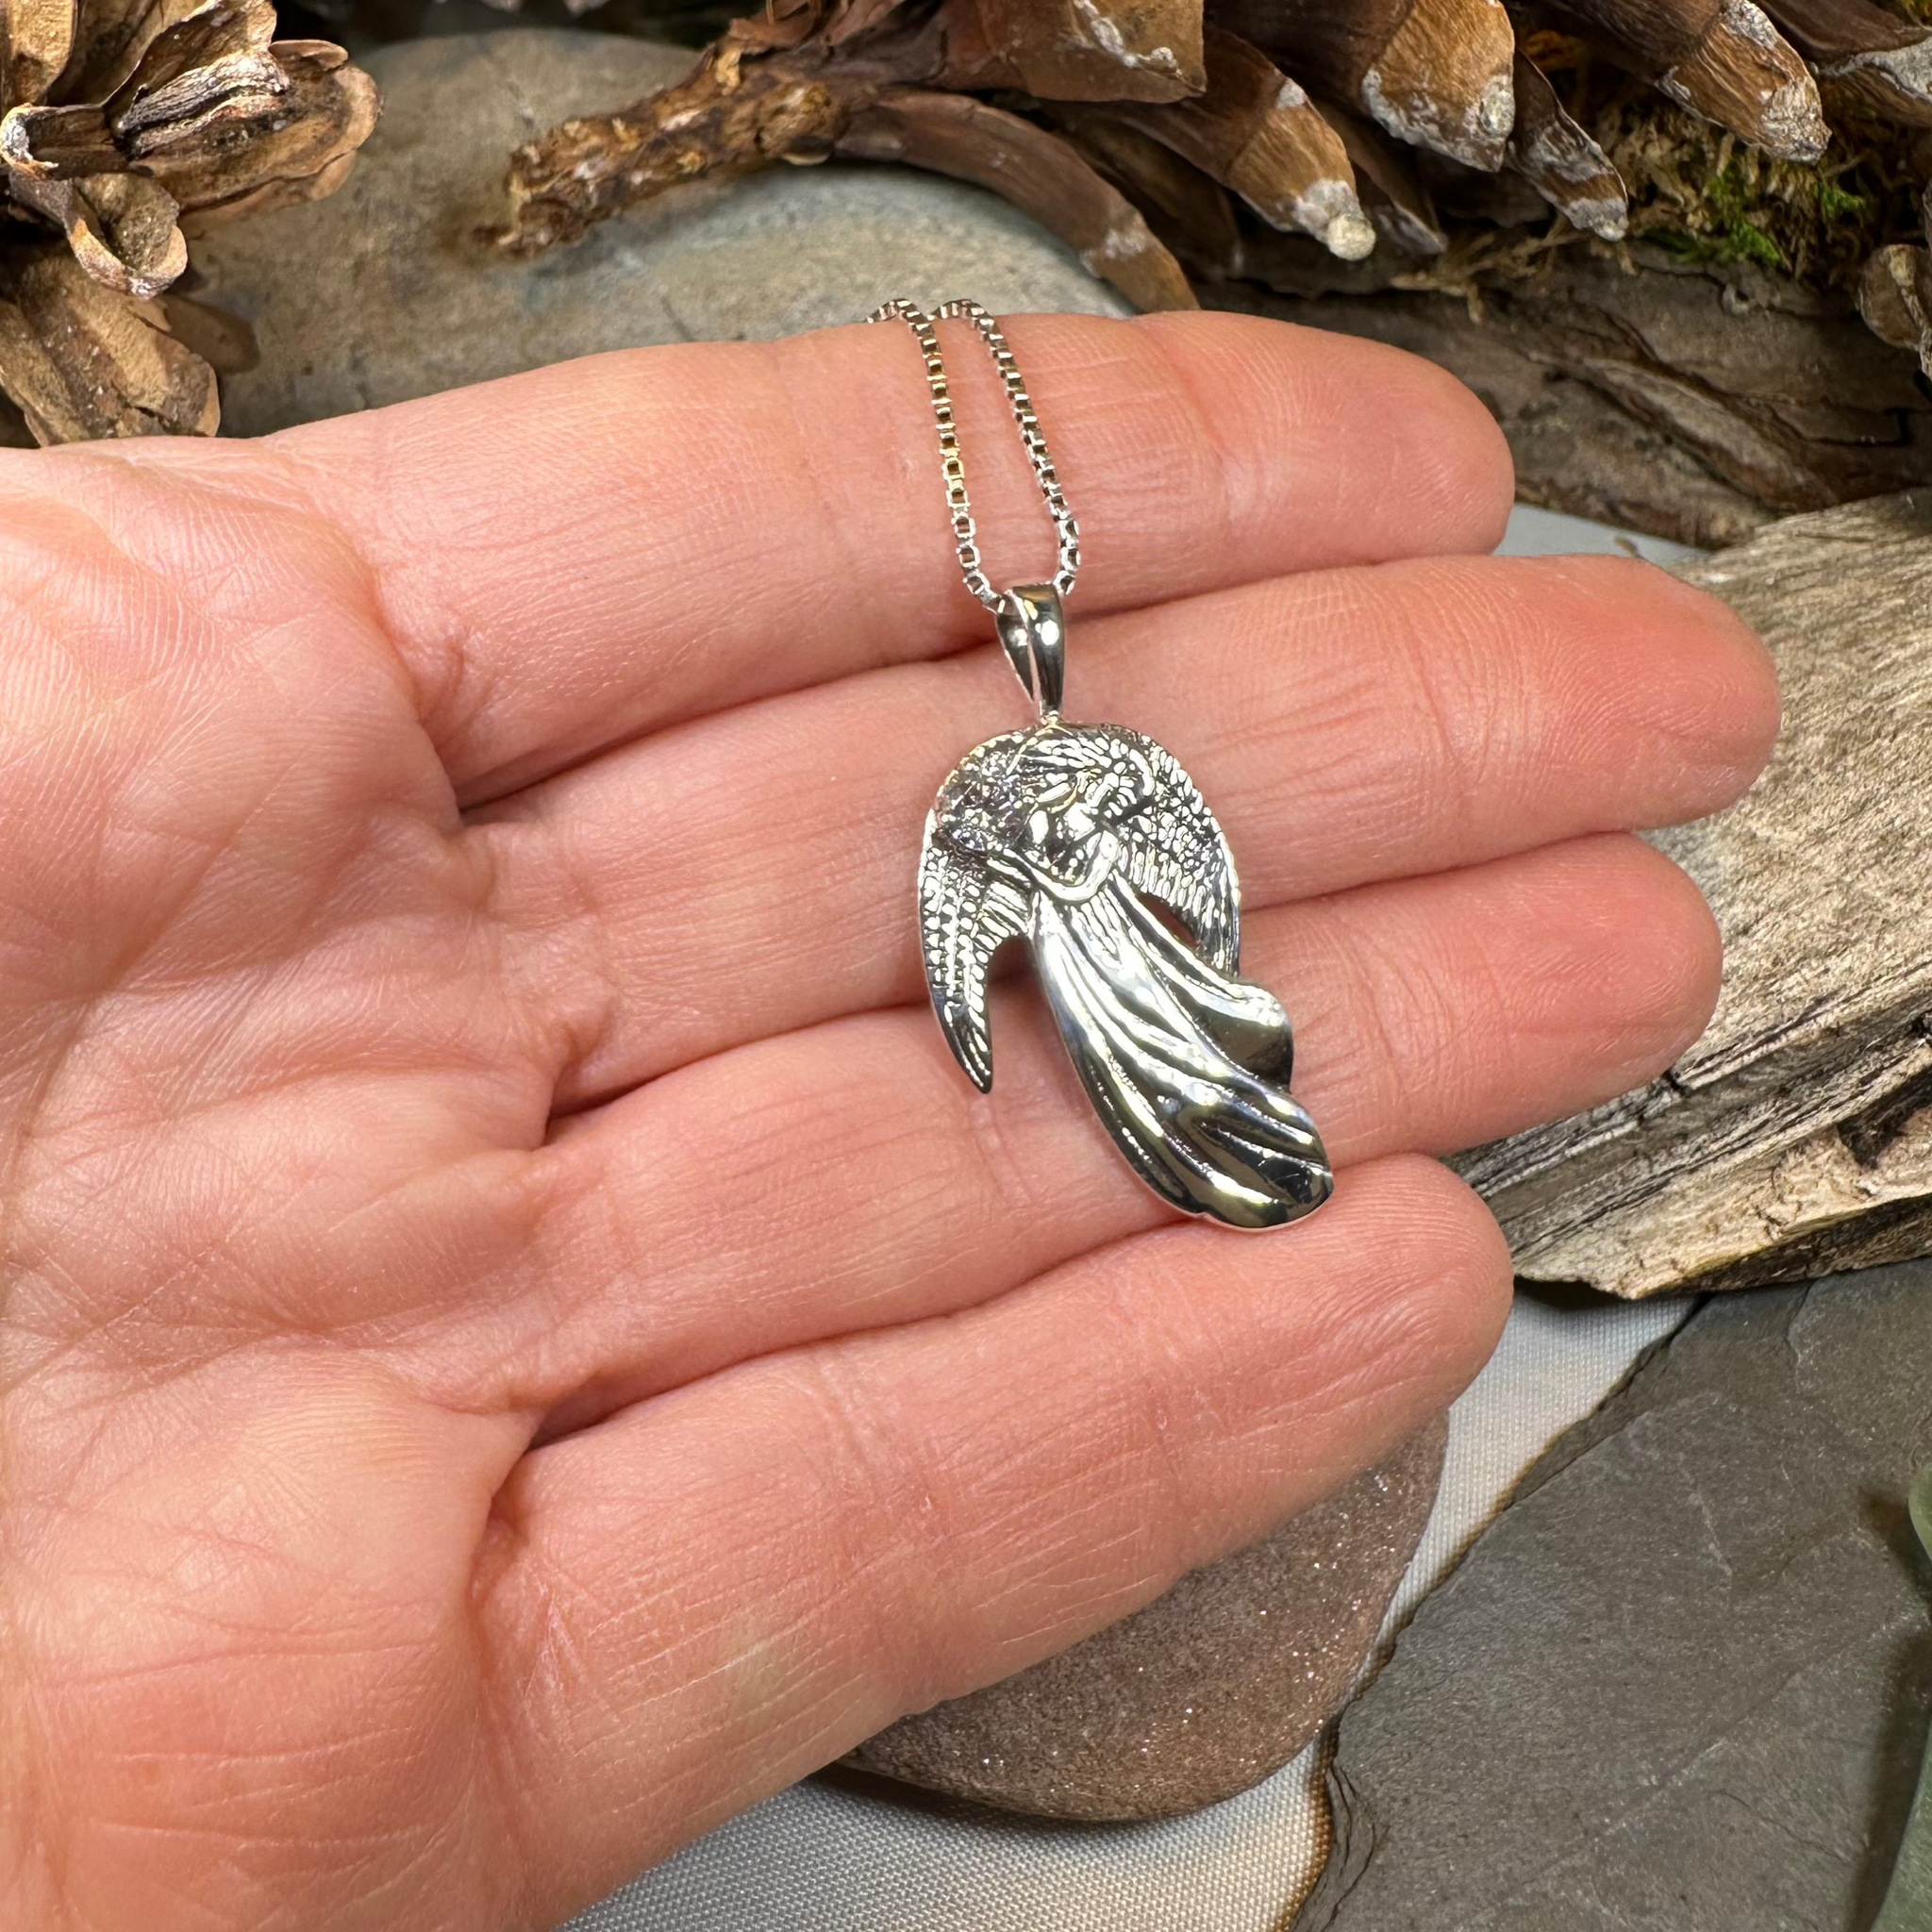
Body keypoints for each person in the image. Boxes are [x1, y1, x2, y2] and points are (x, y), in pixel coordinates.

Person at [0, 310, 1776, 1930]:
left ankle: (1239, 1124)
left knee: (1224, 1041)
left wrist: (1135, 929)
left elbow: (1191, 879)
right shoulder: (1005, 802)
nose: (1059, 816)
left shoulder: (1091, 779)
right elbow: (966, 938)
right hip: (1094, 990)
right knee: (1160, 1070)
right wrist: (990, 1006)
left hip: (1154, 970)